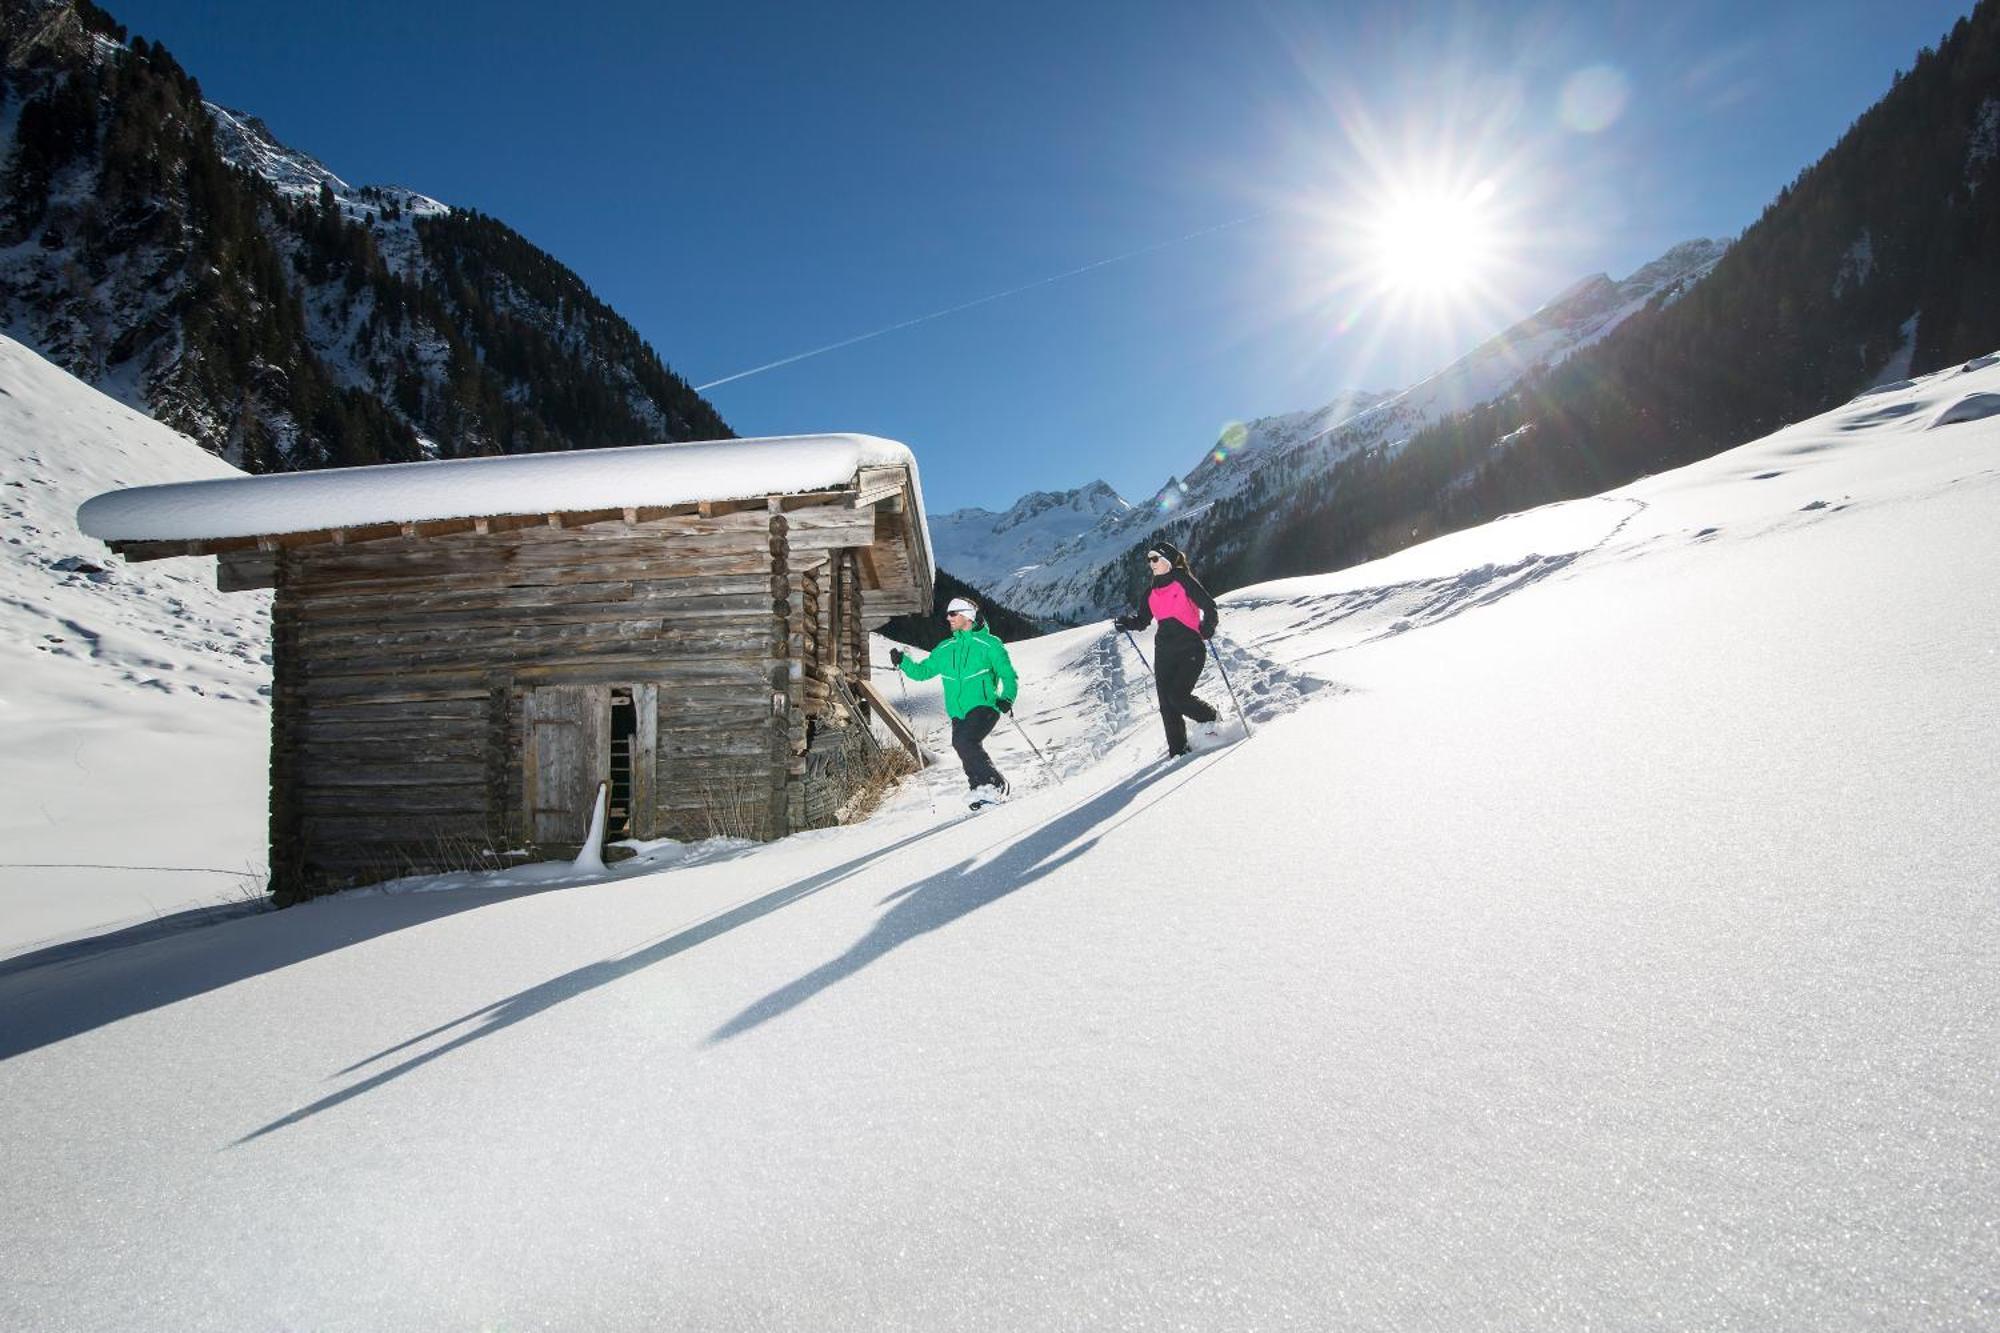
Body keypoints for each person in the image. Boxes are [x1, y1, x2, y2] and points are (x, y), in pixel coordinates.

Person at [889, 596, 1019, 808]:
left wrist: (1007, 698)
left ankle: (996, 784)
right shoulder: (945, 648)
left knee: (965, 742)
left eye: (953, 613)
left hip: (985, 705)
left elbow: (1008, 675)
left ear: (967, 616)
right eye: (948, 614)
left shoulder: (989, 644)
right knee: (962, 745)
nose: (948, 618)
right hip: (958, 711)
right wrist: (903, 662)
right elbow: (922, 672)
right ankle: (979, 789)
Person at [1114, 540, 1220, 758]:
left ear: (1168, 560)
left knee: (1178, 697)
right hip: (1164, 652)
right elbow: (1142, 620)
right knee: (1166, 705)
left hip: (1190, 648)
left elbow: (1209, 606)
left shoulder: (1183, 581)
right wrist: (1127, 622)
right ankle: (1179, 752)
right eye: (1149, 559)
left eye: (1155, 558)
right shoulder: (1151, 592)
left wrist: (1208, 625)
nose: (1150, 563)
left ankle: (1210, 717)